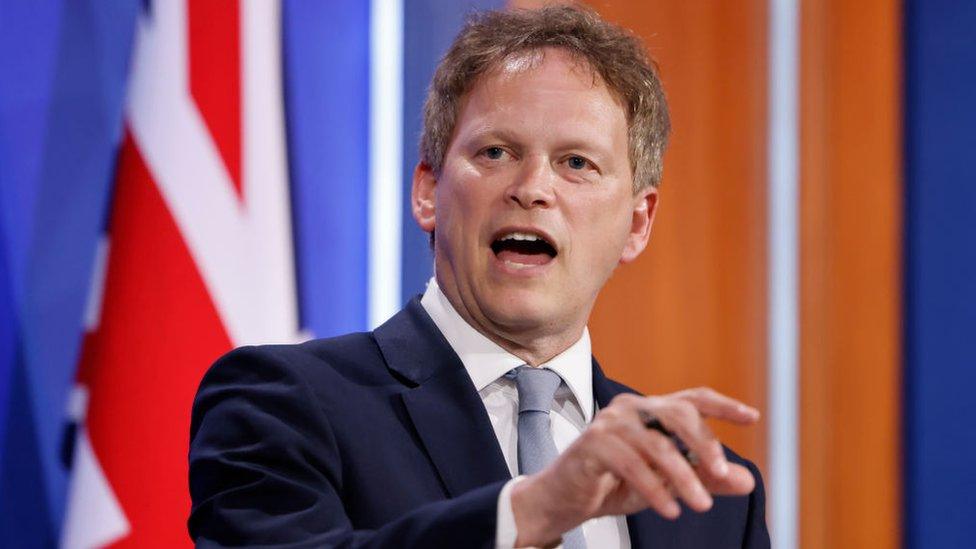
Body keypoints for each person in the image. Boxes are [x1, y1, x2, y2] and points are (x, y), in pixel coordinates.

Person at [189, 5, 770, 548]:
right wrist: (532, 511)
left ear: (637, 222)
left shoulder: (711, 500)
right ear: (426, 192)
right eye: (496, 152)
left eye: (576, 163)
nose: (533, 187)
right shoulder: (279, 403)